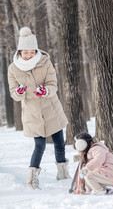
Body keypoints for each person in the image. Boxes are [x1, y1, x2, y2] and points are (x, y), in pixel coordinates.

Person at [7, 27, 70, 189]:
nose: (28, 55)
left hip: (51, 108)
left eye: (31, 52)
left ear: (35, 50)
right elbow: (13, 93)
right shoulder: (13, 68)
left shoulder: (45, 62)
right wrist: (19, 92)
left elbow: (53, 85)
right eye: (24, 52)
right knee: (39, 145)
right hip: (32, 113)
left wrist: (45, 90)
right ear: (19, 51)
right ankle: (32, 179)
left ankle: (63, 174)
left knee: (59, 143)